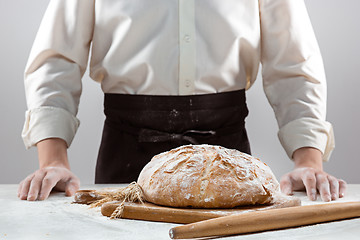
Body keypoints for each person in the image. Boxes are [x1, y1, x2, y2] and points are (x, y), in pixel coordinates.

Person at [18, 0, 346, 202]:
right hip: (125, 151)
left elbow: (293, 63)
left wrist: (308, 162)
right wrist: (53, 161)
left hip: (226, 158)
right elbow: (56, 60)